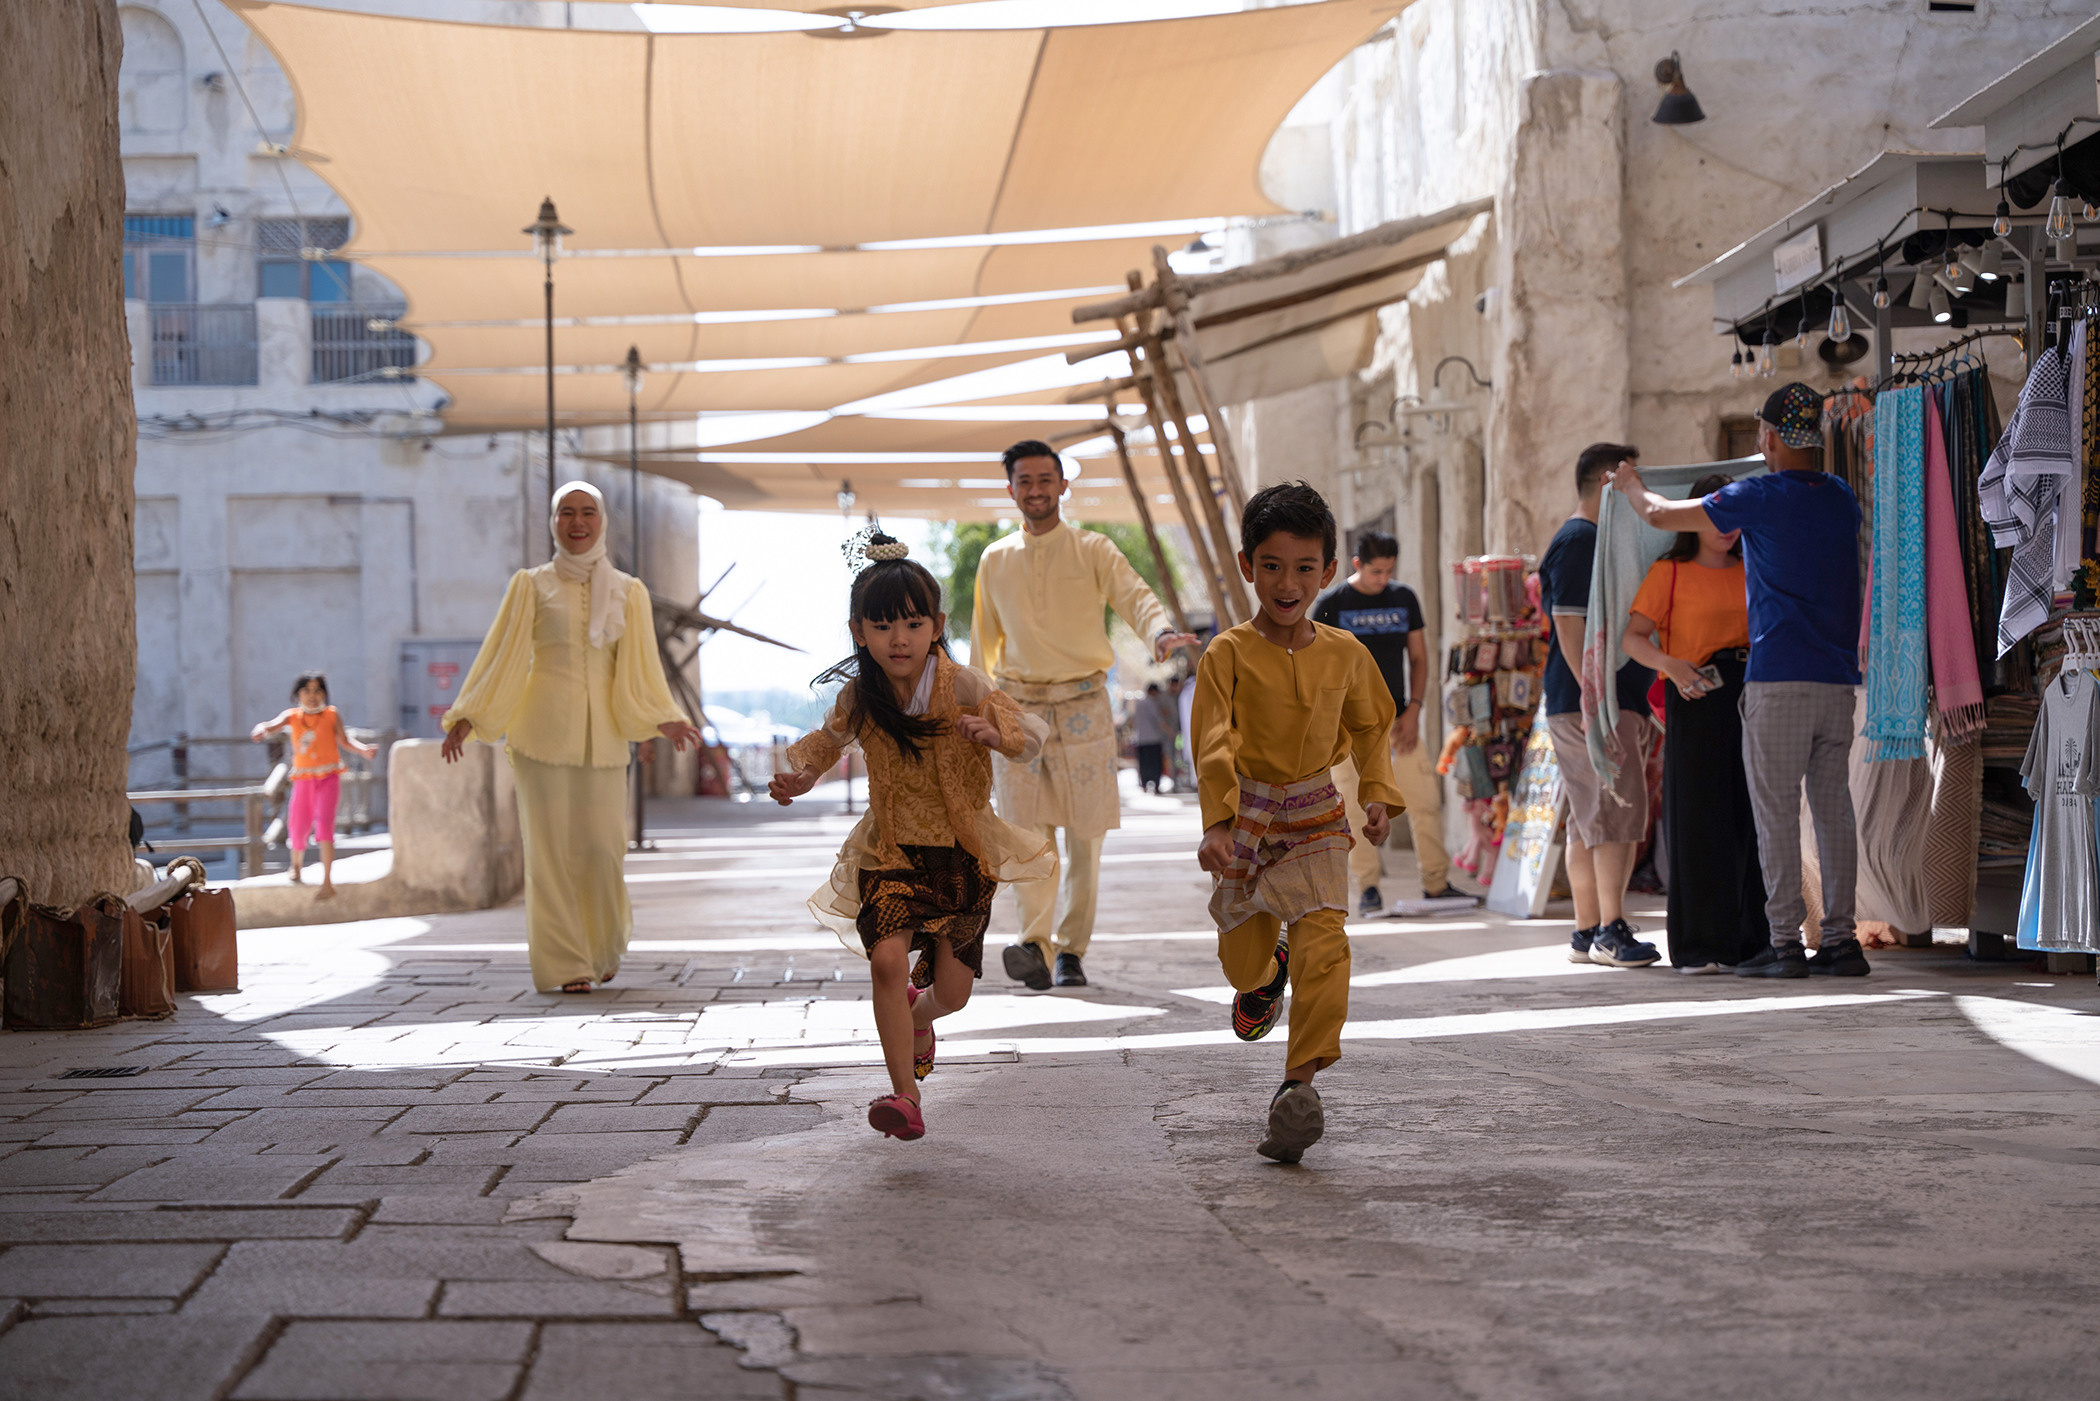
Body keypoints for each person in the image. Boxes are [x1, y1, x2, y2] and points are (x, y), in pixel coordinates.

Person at [770, 533, 1052, 1142]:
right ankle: (905, 1094)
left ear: (936, 625)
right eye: (882, 625)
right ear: (858, 631)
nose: (898, 638)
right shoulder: (860, 696)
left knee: (951, 994)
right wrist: (798, 778)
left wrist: (996, 737)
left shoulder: (964, 685)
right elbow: (825, 743)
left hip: (961, 855)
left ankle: (922, 1020)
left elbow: (1030, 735)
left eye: (912, 622)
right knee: (887, 961)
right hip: (890, 849)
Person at [1610, 383, 1870, 978]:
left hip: (1777, 680)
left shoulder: (1759, 495)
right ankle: (1840, 941)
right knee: (1832, 812)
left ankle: (1782, 944)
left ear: (1771, 438)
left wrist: (1628, 483)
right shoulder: (1840, 498)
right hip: (1836, 681)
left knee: (1774, 813)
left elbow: (1657, 513)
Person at [1193, 481, 1397, 1164]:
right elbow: (1213, 742)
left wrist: (1375, 792)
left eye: (1304, 567)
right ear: (1248, 565)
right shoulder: (1225, 653)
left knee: (1328, 942)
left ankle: (1296, 1085)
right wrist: (1219, 824)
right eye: (1272, 565)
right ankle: (1263, 972)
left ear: (1327, 572)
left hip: (1314, 816)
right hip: (1246, 820)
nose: (1288, 582)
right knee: (1241, 959)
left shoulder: (1345, 653)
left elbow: (1373, 724)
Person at [440, 482, 702, 994]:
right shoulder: (531, 585)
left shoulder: (629, 591)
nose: (577, 522)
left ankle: (600, 947)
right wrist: (469, 714)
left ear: (602, 521)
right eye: (566, 513)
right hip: (540, 735)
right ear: (553, 521)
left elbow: (642, 668)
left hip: (603, 740)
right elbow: (503, 656)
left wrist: (662, 718)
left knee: (603, 849)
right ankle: (566, 964)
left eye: (587, 513)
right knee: (550, 853)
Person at [974, 440, 1198, 990]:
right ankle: (1034, 943)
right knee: (1026, 833)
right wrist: (979, 715)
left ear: (1062, 486)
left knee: (1085, 834)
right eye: (1024, 480)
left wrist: (1160, 633)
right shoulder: (994, 559)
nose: (1036, 490)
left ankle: (1070, 949)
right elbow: (984, 646)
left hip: (1083, 706)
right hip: (1018, 709)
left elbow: (1135, 596)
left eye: (1045, 479)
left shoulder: (1094, 549)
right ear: (1011, 490)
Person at [1619, 473, 1769, 973]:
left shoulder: (1756, 567)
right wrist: (1670, 665)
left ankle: (1751, 943)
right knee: (1699, 820)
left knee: (1751, 817)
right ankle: (1700, 945)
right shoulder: (1670, 572)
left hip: (1755, 695)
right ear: (1693, 517)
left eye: (1733, 515)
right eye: (1714, 514)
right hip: (1697, 694)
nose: (1726, 527)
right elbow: (1633, 639)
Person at [1539, 443, 1662, 969]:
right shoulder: (1580, 540)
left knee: (1590, 819)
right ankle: (1611, 930)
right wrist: (1597, 701)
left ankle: (1588, 930)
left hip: (1589, 701)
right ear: (1610, 480)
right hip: (1593, 704)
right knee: (1613, 813)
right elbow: (1570, 626)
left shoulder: (1589, 538)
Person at [1311, 529, 1462, 911]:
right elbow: (1316, 670)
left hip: (1398, 725)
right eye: (1376, 571)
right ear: (1357, 564)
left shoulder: (1403, 598)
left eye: (1389, 571)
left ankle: (1436, 883)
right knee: (1355, 810)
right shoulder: (1331, 605)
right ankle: (1368, 888)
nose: (1383, 579)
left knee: (1423, 801)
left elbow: (1420, 658)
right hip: (1347, 730)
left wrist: (1414, 710)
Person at [250, 673, 377, 899]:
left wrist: (363, 750)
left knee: (325, 827)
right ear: (298, 694)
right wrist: (261, 729)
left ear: (324, 694)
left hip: (328, 777)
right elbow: (270, 725)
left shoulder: (331, 715)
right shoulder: (292, 717)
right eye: (307, 691)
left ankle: (327, 882)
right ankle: (296, 866)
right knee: (298, 826)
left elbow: (345, 741)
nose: (312, 695)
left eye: (317, 690)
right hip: (304, 779)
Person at [1133, 682, 1168, 793]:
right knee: (1155, 763)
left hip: (1141, 739)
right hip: (1153, 738)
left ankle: (1144, 785)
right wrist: (1170, 732)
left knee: (1144, 763)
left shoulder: (1138, 703)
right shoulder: (1152, 703)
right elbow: (1159, 720)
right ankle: (1156, 786)